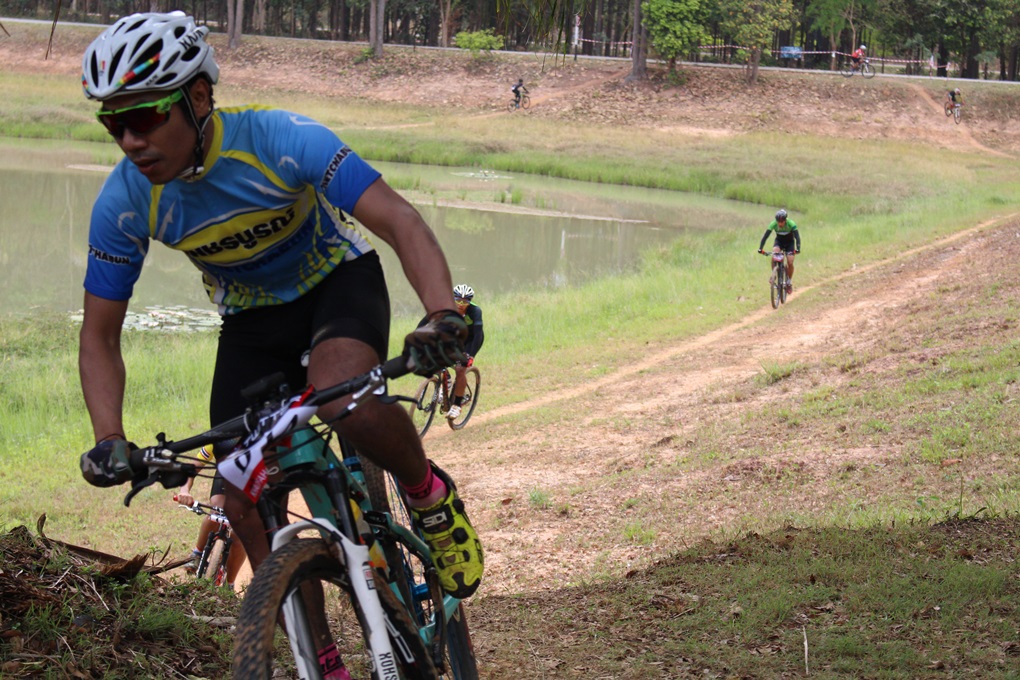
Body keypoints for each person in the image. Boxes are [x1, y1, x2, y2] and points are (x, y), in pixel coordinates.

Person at [75, 14, 484, 669]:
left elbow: (400, 221)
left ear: (198, 98)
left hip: (336, 285)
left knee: (343, 400)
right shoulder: (125, 201)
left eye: (145, 117)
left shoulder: (280, 139)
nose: (130, 140)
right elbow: (99, 335)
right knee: (238, 493)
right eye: (113, 124)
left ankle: (427, 494)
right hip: (252, 325)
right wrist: (109, 438)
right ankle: (319, 657)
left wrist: (442, 316)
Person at [174, 448, 247, 588]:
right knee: (216, 511)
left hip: (252, 481)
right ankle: (197, 554)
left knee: (241, 533)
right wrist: (184, 491)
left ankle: (229, 584)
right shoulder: (218, 443)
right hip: (225, 477)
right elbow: (192, 468)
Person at [444, 285, 483, 420]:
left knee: (461, 369)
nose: (461, 304)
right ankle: (446, 379)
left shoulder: (475, 311)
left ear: (470, 302)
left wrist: (470, 355)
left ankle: (457, 405)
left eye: (465, 302)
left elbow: (478, 334)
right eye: (458, 300)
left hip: (470, 340)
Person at [757, 209, 801, 293]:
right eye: (778, 222)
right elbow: (765, 237)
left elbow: (797, 237)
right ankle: (774, 275)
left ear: (785, 220)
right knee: (775, 253)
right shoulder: (773, 224)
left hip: (789, 243)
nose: (780, 224)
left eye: (782, 222)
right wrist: (760, 248)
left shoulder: (791, 224)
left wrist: (798, 248)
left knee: (790, 262)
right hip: (779, 242)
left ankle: (789, 282)